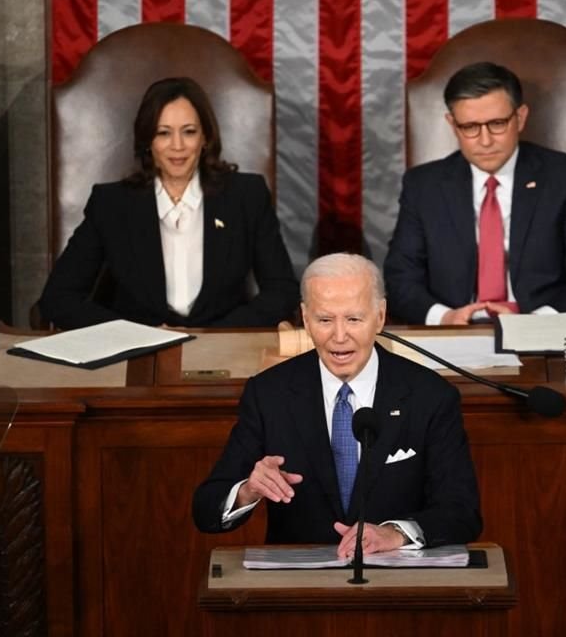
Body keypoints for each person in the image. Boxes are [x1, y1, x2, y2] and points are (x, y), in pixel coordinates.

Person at [192, 253, 481, 557]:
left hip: (396, 584)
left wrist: (395, 533)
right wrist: (247, 490)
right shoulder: (268, 394)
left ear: (380, 316)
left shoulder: (430, 395)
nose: (339, 337)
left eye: (354, 319)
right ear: (305, 318)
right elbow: (206, 510)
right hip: (298, 587)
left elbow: (462, 512)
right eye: (325, 320)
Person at [38, 77, 298, 330]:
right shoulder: (111, 204)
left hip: (221, 352)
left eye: (189, 132)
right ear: (148, 142)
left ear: (205, 137)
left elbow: (282, 290)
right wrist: (135, 334)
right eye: (163, 133)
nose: (177, 146)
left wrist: (215, 336)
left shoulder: (246, 196)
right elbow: (58, 298)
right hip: (136, 355)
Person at [383, 61, 566, 325]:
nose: (485, 140)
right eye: (469, 127)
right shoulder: (424, 186)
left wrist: (534, 323)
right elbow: (400, 279)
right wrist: (444, 317)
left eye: (497, 124)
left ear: (520, 117)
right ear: (452, 124)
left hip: (538, 330)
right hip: (453, 333)